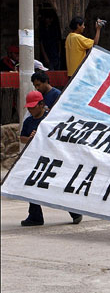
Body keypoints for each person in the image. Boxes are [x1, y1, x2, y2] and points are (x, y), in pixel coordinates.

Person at [19, 91, 82, 227]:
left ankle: (74, 212)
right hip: (35, 159)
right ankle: (35, 216)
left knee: (57, 186)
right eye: (29, 107)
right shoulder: (29, 121)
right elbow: (22, 138)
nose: (30, 110)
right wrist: (30, 138)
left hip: (52, 159)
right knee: (30, 185)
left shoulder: (51, 119)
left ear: (41, 105)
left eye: (33, 106)